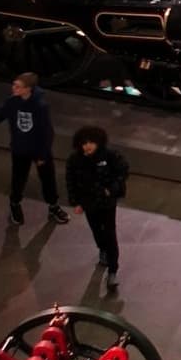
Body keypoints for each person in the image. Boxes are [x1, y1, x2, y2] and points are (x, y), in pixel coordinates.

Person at [0, 73, 70, 226]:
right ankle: (15, 204)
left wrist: (42, 155)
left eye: (18, 86)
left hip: (39, 150)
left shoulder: (40, 106)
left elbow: (47, 132)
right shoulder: (12, 103)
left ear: (28, 89)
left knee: (48, 179)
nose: (13, 88)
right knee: (18, 179)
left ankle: (53, 206)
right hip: (20, 149)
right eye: (14, 85)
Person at [65, 125, 130, 292]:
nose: (87, 146)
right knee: (96, 229)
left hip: (107, 202)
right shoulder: (75, 160)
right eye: (84, 143)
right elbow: (71, 181)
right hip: (88, 202)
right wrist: (76, 202)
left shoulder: (110, 156)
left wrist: (112, 189)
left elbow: (122, 172)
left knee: (110, 233)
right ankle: (102, 249)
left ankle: (113, 271)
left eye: (91, 142)